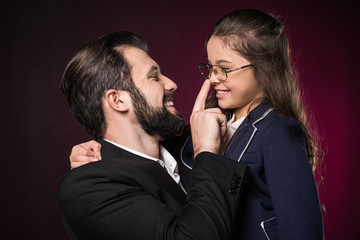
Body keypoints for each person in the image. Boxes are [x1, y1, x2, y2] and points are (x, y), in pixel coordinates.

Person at [70, 9, 324, 239]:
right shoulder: (197, 136)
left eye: (224, 68)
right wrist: (99, 148)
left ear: (264, 68)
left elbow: (301, 226)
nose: (213, 78)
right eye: (211, 68)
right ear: (117, 100)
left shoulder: (273, 131)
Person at [58, 30, 249, 240]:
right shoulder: (87, 187)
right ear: (118, 100)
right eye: (154, 76)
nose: (171, 84)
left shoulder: (185, 151)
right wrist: (207, 154)